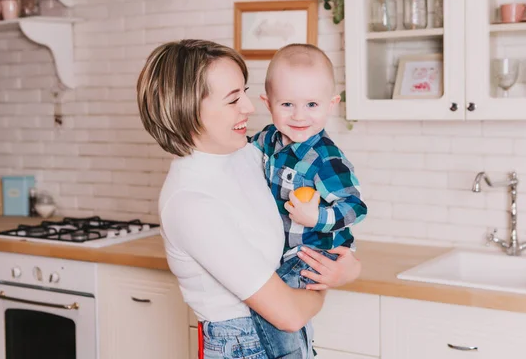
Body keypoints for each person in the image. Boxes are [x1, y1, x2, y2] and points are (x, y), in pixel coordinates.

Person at [136, 39, 362, 359]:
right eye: (232, 100)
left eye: (244, 92)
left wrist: (345, 262)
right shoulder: (190, 202)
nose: (250, 107)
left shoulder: (248, 154)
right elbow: (289, 314)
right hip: (244, 348)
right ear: (186, 108)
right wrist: (330, 282)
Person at [248, 44, 368, 358]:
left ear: (331, 104)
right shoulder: (269, 138)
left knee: (283, 322)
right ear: (268, 103)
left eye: (312, 104)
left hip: (313, 251)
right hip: (288, 250)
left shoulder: (324, 158)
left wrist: (316, 218)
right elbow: (242, 152)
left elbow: (355, 206)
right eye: (287, 104)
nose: (299, 116)